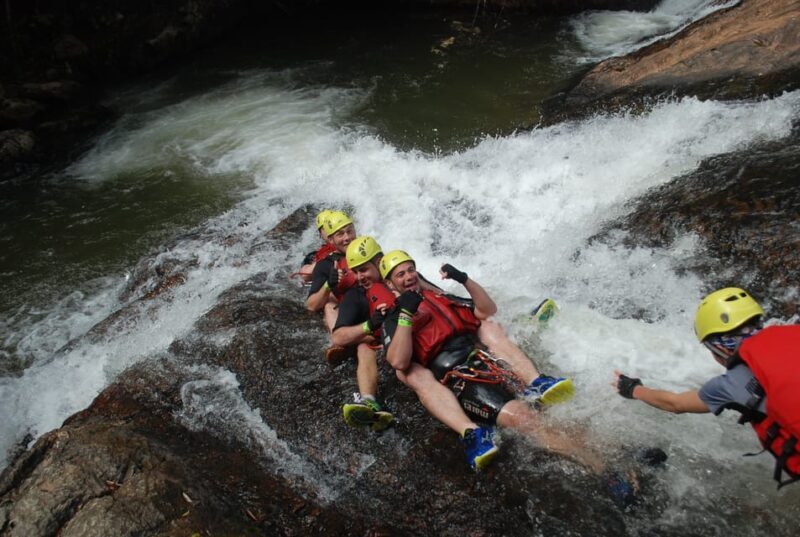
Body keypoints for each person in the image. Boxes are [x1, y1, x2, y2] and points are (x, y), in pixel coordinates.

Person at [380, 250, 593, 473]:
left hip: (486, 358)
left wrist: (463, 279)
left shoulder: (439, 297)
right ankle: (599, 468)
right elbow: (399, 361)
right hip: (461, 378)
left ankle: (541, 386)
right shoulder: (394, 317)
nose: (409, 277)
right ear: (391, 284)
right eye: (401, 275)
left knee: (551, 410)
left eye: (411, 270)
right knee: (525, 418)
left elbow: (487, 310)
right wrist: (405, 313)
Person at [613, 287, 800, 488]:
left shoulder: (731, 384)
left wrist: (633, 389)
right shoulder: (793, 332)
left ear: (717, 347)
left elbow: (674, 403)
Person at [331, 235, 395, 431]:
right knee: (363, 346)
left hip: (411, 334)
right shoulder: (355, 295)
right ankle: (369, 401)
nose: (360, 277)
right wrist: (369, 325)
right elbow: (338, 336)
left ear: (379, 262)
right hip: (379, 340)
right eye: (356, 272)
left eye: (364, 269)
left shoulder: (400, 276)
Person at [305, 210, 360, 364]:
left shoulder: (367, 249)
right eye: (341, 234)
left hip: (369, 303)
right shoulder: (324, 264)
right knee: (329, 302)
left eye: (350, 231)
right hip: (349, 307)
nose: (347, 237)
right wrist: (329, 284)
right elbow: (311, 305)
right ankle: (339, 343)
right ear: (331, 239)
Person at [294, 209, 337, 284]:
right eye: (325, 228)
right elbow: (304, 275)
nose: (330, 230)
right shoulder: (319, 254)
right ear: (320, 234)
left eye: (331, 225)